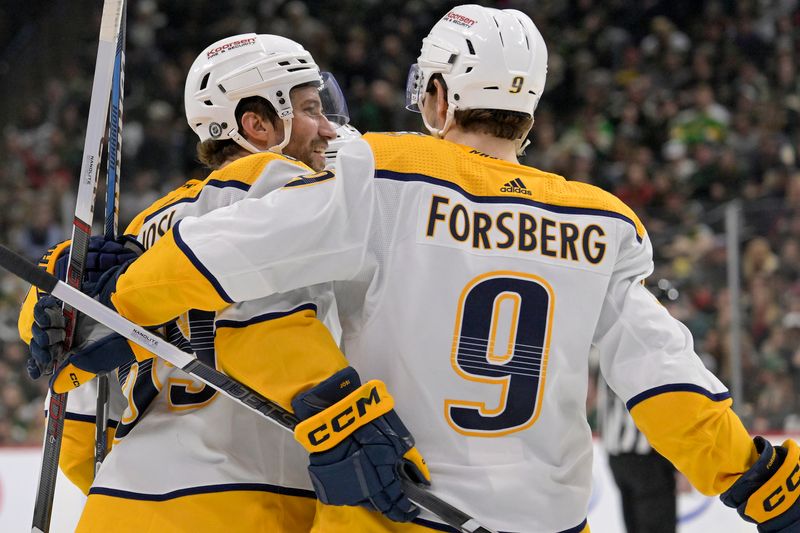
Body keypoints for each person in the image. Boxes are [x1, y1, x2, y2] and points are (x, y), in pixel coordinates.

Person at [32, 5, 800, 533]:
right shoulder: (601, 221)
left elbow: (217, 267)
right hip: (547, 517)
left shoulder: (379, 173)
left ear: (436, 96)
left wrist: (100, 302)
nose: (328, 125)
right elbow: (666, 382)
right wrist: (756, 475)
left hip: (387, 510)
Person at [22, 33, 428, 532]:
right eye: (308, 109)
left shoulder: (139, 234)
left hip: (120, 504)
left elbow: (78, 426)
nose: (326, 128)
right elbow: (267, 320)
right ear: (257, 124)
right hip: (253, 500)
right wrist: (349, 418)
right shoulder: (280, 191)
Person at [597, 374, 676, 533]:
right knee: (657, 525)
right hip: (645, 456)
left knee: (634, 523)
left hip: (617, 455)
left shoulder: (606, 357)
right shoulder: (645, 357)